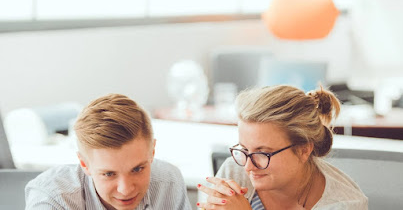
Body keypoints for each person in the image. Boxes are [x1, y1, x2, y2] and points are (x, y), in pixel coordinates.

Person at [197, 85, 368, 210]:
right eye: (244, 150)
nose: (248, 167)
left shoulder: (344, 205)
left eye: (263, 153)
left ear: (304, 150)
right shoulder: (235, 171)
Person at [25, 94, 192, 210]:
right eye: (109, 174)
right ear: (85, 164)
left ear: (152, 152)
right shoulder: (54, 200)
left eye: (137, 169)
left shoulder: (168, 183)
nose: (126, 190)